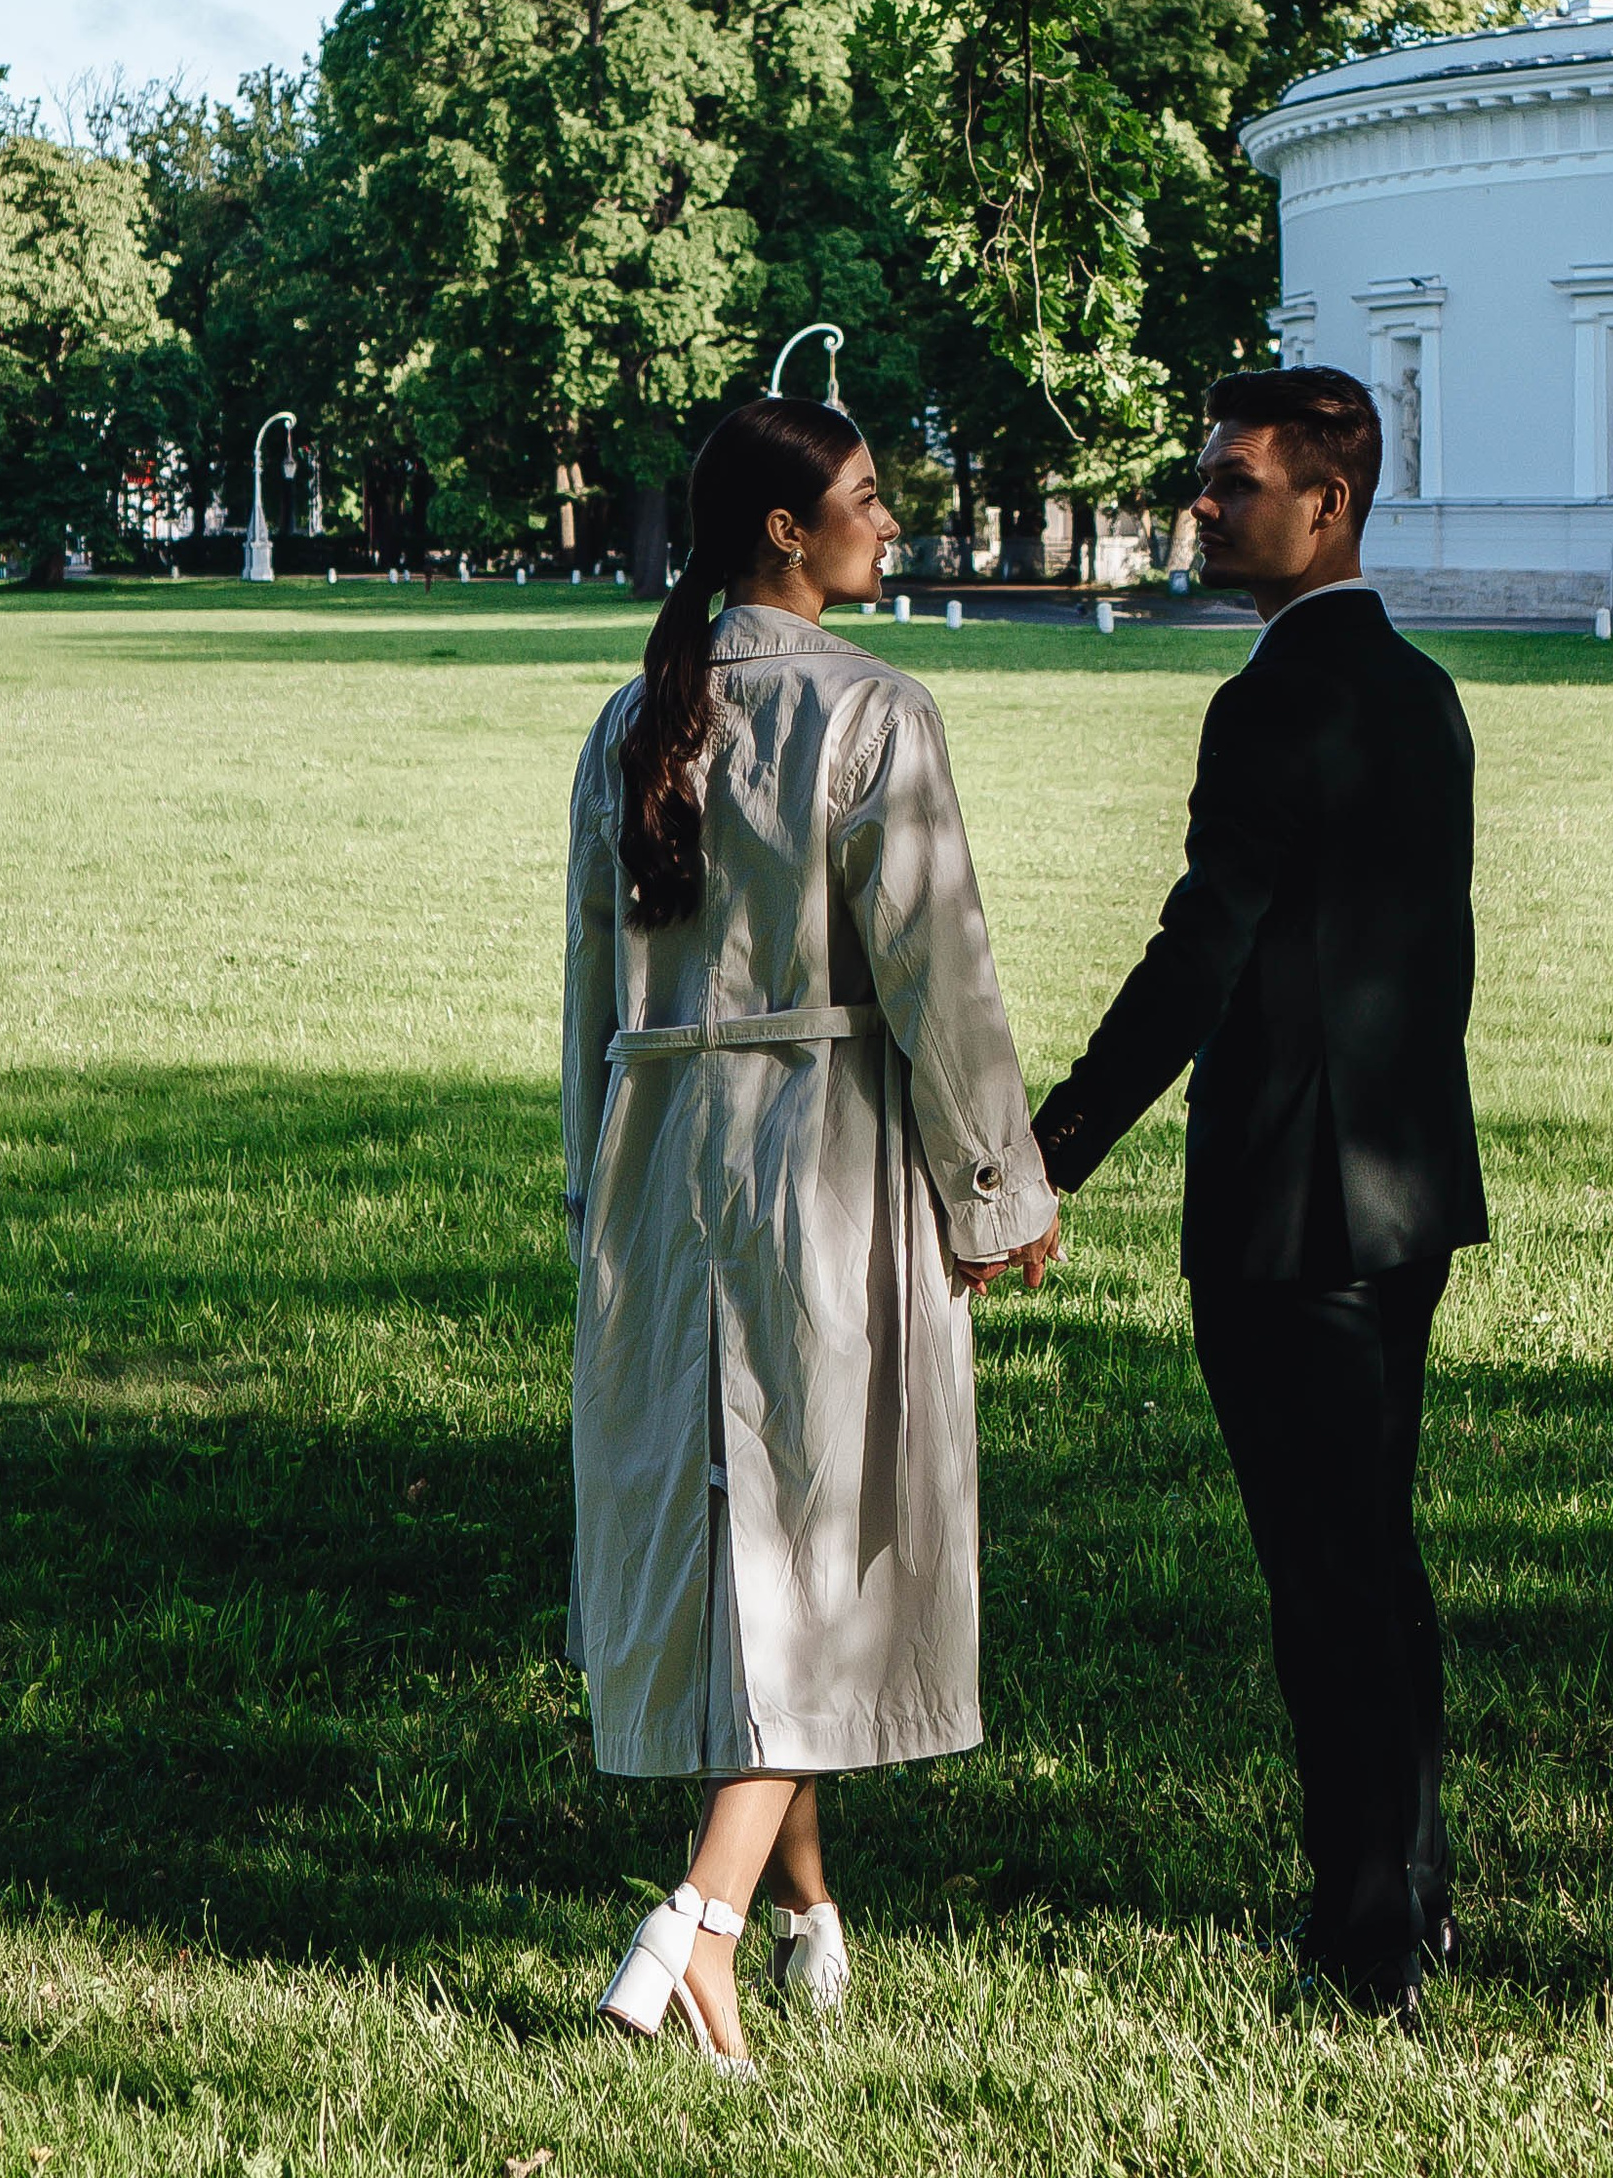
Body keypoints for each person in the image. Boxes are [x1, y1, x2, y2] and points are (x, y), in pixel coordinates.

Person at [564, 396, 1058, 2071]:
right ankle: (697, 1918)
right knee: (820, 1532)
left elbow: (587, 1002)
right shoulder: (872, 712)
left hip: (659, 1157)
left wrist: (594, 1189)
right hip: (820, 1157)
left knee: (739, 1535)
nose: (888, 522)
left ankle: (805, 1908)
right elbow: (941, 975)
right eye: (866, 498)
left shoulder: (637, 716)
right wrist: (995, 1188)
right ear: (789, 533)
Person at [1032, 365, 1486, 2029]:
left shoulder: (1273, 703)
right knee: (1375, 1558)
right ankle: (1408, 1900)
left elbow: (1201, 955)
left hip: (1289, 1205)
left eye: (1232, 482)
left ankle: (1368, 1940)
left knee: (1326, 1578)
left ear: (1329, 505)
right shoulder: (1426, 694)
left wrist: (1051, 1145)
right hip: (1405, 1192)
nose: (1202, 504)